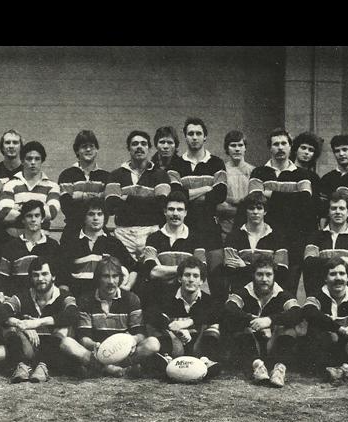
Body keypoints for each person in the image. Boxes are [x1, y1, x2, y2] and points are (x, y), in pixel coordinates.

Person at [59, 256, 160, 378]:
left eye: (115, 276)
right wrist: (95, 345)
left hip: (124, 353)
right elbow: (84, 337)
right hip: (97, 353)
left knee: (153, 343)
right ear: (98, 278)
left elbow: (140, 333)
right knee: (66, 343)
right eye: (106, 276)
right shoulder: (86, 300)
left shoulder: (131, 299)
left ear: (120, 278)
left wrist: (132, 340)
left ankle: (107, 369)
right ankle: (114, 369)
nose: (111, 281)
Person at [249, 127, 315, 295]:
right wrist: (291, 195)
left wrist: (271, 194)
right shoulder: (259, 172)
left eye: (284, 143)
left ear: (290, 147)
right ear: (270, 148)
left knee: (289, 286)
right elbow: (255, 198)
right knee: (266, 282)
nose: (280, 147)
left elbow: (305, 202)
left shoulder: (302, 174)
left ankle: (286, 320)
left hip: (295, 237)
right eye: (275, 144)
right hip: (268, 235)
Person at [0, 257, 79, 383]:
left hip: (54, 352)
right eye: (35, 275)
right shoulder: (23, 296)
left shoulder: (64, 296)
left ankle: (43, 366)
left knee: (64, 328)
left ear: (53, 276)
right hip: (29, 349)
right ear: (31, 278)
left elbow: (73, 314)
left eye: (44, 274)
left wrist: (39, 322)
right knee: (9, 326)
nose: (40, 279)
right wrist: (20, 324)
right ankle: (22, 365)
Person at [168, 117, 227, 300]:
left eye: (198, 133)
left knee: (218, 280)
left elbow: (220, 194)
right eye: (190, 134)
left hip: (210, 227)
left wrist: (189, 194)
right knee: (188, 278)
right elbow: (177, 196)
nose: (194, 137)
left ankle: (219, 324)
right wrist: (206, 188)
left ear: (205, 137)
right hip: (187, 228)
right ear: (185, 137)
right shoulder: (175, 164)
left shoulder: (216, 163)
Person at [223, 255, 302, 388]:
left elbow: (297, 312)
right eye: (260, 274)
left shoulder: (282, 294)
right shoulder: (244, 291)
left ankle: (279, 369)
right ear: (253, 275)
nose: (264, 279)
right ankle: (257, 366)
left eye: (268, 274)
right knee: (238, 325)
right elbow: (229, 308)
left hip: (274, 344)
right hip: (252, 344)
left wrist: (270, 320)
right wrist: (253, 320)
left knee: (289, 329)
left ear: (274, 276)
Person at [144, 256, 221, 376]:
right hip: (174, 344)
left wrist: (189, 322)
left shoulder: (208, 300)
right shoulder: (167, 296)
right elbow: (151, 312)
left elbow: (217, 313)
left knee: (214, 324)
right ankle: (166, 358)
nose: (191, 279)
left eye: (195, 276)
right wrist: (172, 326)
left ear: (201, 281)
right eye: (187, 275)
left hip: (197, 346)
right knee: (154, 325)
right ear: (180, 278)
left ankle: (205, 360)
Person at [105, 130, 171, 261]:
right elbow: (111, 205)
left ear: (149, 148)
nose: (139, 147)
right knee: (122, 271)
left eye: (143, 143)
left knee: (149, 272)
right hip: (123, 233)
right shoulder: (116, 175)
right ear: (129, 148)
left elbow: (162, 204)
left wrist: (128, 198)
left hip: (151, 231)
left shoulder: (161, 175)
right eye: (135, 144)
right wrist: (149, 199)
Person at [60, 197, 137, 297]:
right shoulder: (71, 243)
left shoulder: (113, 243)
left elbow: (134, 268)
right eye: (91, 214)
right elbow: (62, 277)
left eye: (100, 214)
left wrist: (127, 286)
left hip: (105, 300)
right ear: (84, 217)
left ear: (105, 217)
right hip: (77, 299)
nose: (96, 218)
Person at [142, 191, 206, 304]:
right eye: (171, 209)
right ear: (165, 212)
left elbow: (200, 270)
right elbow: (152, 272)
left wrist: (162, 268)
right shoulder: (153, 238)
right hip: (159, 295)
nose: (175, 213)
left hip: (188, 296)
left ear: (186, 213)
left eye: (180, 210)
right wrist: (185, 269)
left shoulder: (197, 238)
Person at [303, 191, 348, 295]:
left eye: (342, 208)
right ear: (328, 212)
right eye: (334, 208)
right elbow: (309, 263)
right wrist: (346, 261)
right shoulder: (315, 237)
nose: (338, 212)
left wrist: (324, 263)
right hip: (322, 295)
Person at [0, 200, 62, 298]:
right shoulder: (11, 247)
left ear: (42, 219)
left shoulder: (53, 246)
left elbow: (59, 277)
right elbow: (2, 278)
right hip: (17, 302)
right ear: (23, 219)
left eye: (37, 216)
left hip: (45, 302)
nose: (33, 219)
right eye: (29, 216)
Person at [224, 191, 288, 291]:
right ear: (246, 210)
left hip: (269, 293)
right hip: (241, 292)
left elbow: (281, 272)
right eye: (251, 208)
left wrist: (244, 266)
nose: (255, 212)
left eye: (259, 208)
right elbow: (230, 271)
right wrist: (266, 269)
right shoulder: (233, 237)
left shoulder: (277, 237)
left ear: (265, 211)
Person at [0, 141, 61, 238]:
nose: (33, 162)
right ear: (23, 161)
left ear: (42, 161)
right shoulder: (10, 184)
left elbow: (52, 212)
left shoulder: (52, 186)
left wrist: (19, 207)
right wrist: (40, 210)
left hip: (41, 241)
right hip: (13, 241)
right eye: (29, 159)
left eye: (37, 159)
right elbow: (5, 213)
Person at [58, 130, 109, 244]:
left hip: (99, 230)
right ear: (77, 150)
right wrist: (97, 196)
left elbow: (107, 208)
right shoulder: (67, 175)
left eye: (92, 146)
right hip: (72, 230)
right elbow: (67, 207)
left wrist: (79, 196)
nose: (88, 150)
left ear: (97, 150)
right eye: (84, 146)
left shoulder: (105, 176)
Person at [216, 130, 254, 239]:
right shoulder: (221, 172)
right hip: (225, 228)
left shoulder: (253, 171)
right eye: (233, 145)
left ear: (245, 148)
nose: (237, 149)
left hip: (249, 227)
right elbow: (218, 203)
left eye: (240, 145)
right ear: (227, 148)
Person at [319, 134, 348, 227]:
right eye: (337, 151)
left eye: (345, 149)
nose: (341, 154)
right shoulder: (327, 179)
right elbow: (323, 211)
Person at [290, 131, 323, 231]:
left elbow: (317, 205)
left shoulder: (315, 178)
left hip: (308, 226)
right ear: (296, 149)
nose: (306, 152)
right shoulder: (287, 172)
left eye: (311, 150)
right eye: (303, 148)